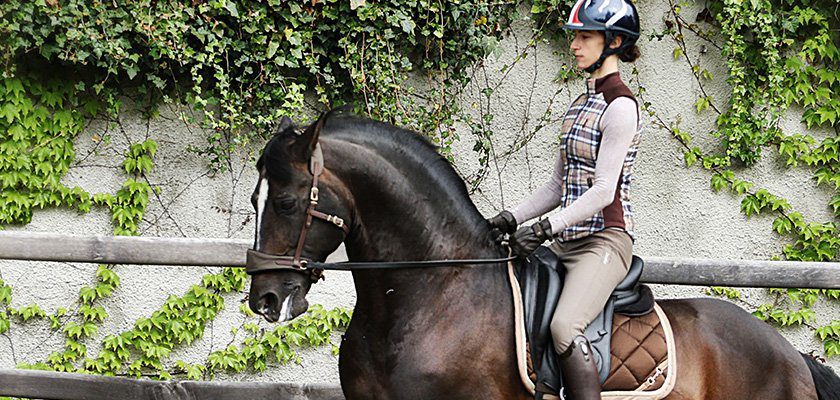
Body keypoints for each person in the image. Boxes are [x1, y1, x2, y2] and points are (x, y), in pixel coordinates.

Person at [487, 0, 642, 398]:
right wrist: (510, 217)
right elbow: (557, 187)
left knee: (564, 327)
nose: (575, 44)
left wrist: (543, 229)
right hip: (565, 242)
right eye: (575, 36)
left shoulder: (620, 108)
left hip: (605, 243)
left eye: (585, 36)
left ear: (615, 42)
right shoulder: (579, 105)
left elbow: (603, 190)